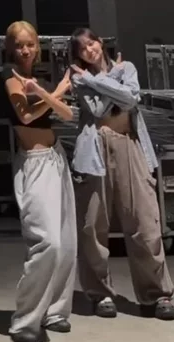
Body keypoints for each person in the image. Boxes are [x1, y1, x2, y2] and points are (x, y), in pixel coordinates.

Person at [68, 28, 174, 320]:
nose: (89, 50)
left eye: (91, 43)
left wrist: (97, 80)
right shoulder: (78, 78)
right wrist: (110, 84)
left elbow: (130, 101)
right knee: (93, 225)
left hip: (129, 144)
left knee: (144, 221)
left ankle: (157, 294)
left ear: (100, 42)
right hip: (95, 149)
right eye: (82, 49)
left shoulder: (125, 68)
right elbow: (98, 108)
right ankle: (100, 293)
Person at [1, 21, 77, 342]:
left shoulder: (39, 77)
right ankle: (25, 320)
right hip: (33, 163)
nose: (25, 50)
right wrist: (56, 93)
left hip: (56, 158)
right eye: (19, 44)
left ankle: (56, 312)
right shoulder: (9, 77)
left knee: (67, 243)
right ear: (10, 48)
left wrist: (48, 93)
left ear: (38, 45)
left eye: (30, 43)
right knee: (48, 242)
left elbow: (68, 115)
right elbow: (26, 116)